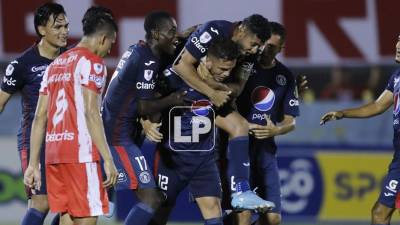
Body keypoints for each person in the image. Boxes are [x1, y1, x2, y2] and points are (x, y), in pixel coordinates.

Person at [23, 6, 118, 225]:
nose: (110, 50)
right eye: (111, 43)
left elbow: (40, 117)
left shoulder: (55, 64)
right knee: (85, 220)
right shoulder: (93, 63)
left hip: (54, 156)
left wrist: (33, 164)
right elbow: (91, 113)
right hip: (81, 156)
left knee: (67, 219)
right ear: (103, 39)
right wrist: (108, 159)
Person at [173, 14, 273, 210]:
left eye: (258, 46)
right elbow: (180, 65)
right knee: (161, 202)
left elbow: (237, 88)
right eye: (253, 44)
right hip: (178, 93)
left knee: (239, 126)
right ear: (242, 29)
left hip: (206, 97)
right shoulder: (214, 30)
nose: (254, 50)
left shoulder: (250, 54)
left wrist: (214, 87)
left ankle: (241, 192)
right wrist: (212, 91)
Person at [101, 11, 187, 225]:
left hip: (117, 131)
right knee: (151, 198)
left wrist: (184, 35)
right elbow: (143, 106)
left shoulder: (138, 50)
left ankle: (103, 196)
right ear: (156, 34)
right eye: (171, 32)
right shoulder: (147, 60)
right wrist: (172, 99)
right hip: (118, 137)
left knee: (86, 201)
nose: (175, 37)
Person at [153, 37, 241, 225]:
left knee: (213, 209)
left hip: (203, 160)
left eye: (231, 69)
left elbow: (229, 119)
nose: (227, 74)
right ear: (207, 61)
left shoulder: (221, 89)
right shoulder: (174, 78)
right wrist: (147, 123)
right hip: (172, 158)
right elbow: (150, 102)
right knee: (160, 210)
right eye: (223, 69)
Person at [320, 34, 400, 225]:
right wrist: (343, 113)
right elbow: (377, 106)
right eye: (398, 39)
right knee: (380, 213)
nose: (398, 45)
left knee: (380, 213)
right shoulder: (396, 76)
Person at [0, 3, 68, 225]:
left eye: (66, 26)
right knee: (42, 202)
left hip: (65, 140)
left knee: (72, 203)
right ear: (41, 30)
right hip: (34, 142)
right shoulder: (22, 64)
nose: (64, 31)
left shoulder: (72, 58)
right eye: (57, 27)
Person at [232, 22, 299, 225]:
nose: (265, 49)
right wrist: (242, 124)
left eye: (272, 46)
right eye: (264, 44)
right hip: (239, 148)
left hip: (266, 153)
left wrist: (275, 129)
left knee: (273, 218)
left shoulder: (286, 77)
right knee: (243, 215)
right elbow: (230, 99)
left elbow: (291, 121)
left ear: (281, 48)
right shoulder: (244, 65)